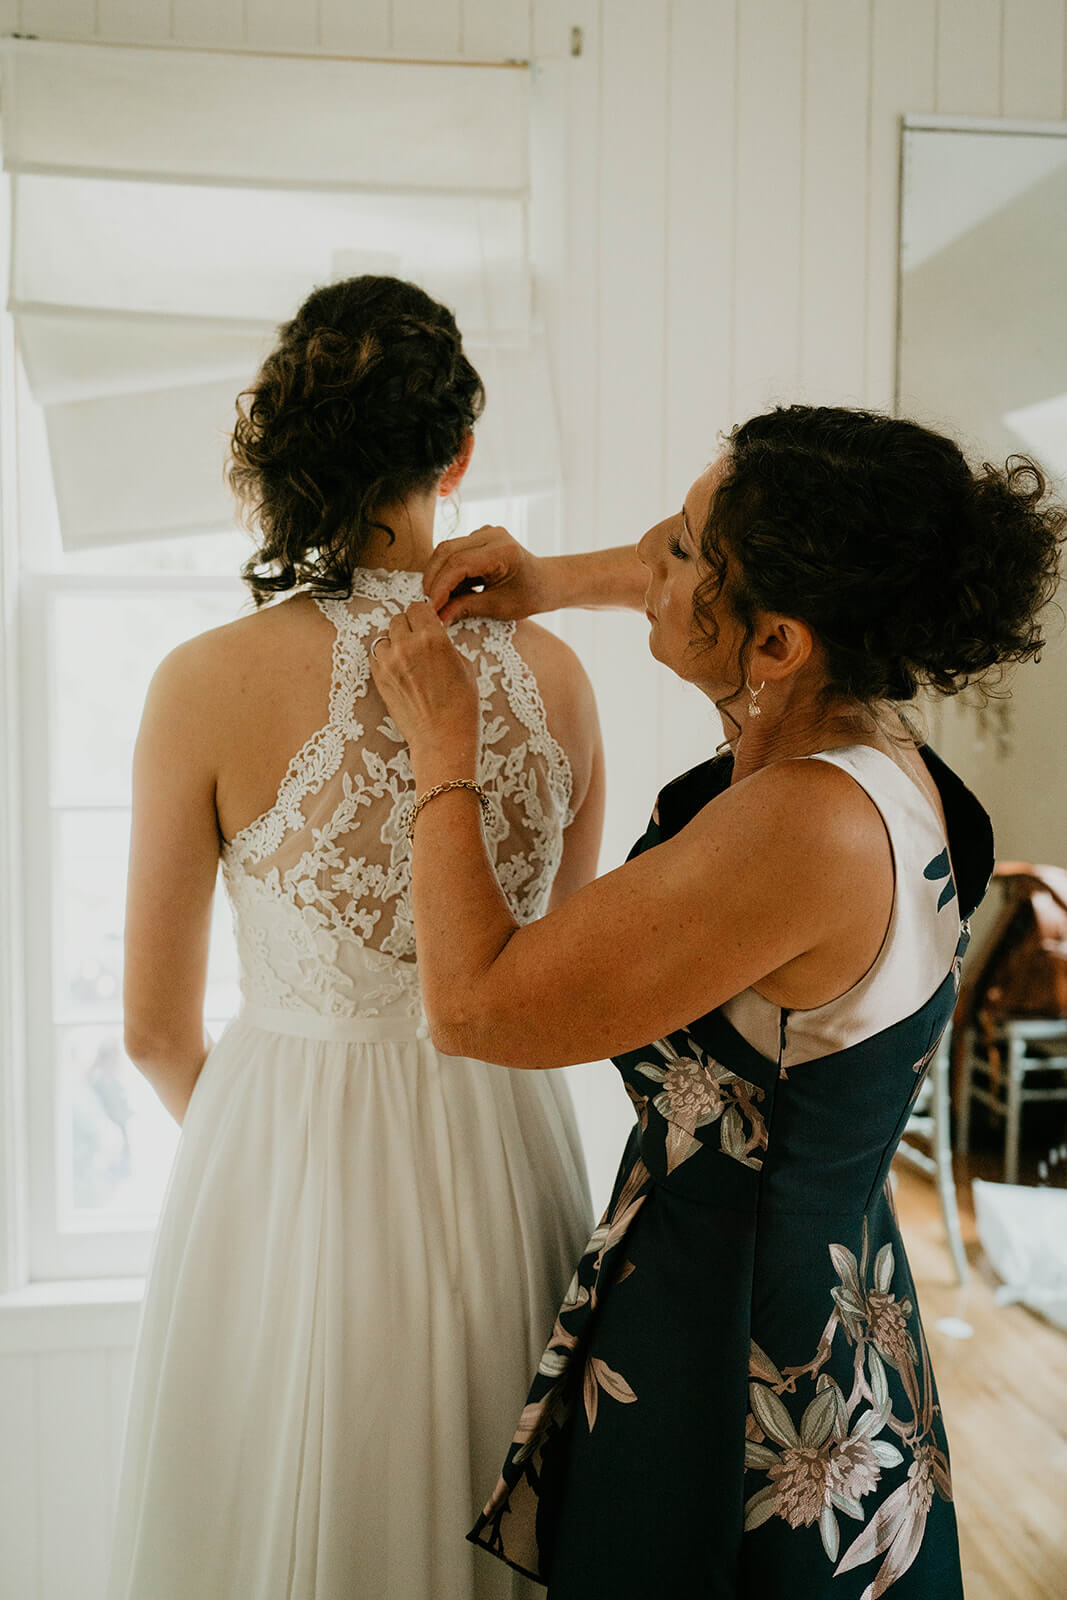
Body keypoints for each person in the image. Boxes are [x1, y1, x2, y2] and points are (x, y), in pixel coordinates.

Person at [368, 404, 1065, 1599]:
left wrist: (446, 750)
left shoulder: (800, 828)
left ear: (777, 639)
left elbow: (474, 1006)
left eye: (688, 551)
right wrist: (542, 581)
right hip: (837, 1290)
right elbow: (656, 564)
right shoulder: (875, 750)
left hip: (741, 1356)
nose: (653, 554)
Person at [108, 276, 602, 1600]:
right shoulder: (556, 679)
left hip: (288, 1161)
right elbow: (552, 977)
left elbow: (154, 1030)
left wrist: (269, 1165)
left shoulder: (204, 683)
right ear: (457, 453)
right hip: (506, 1147)